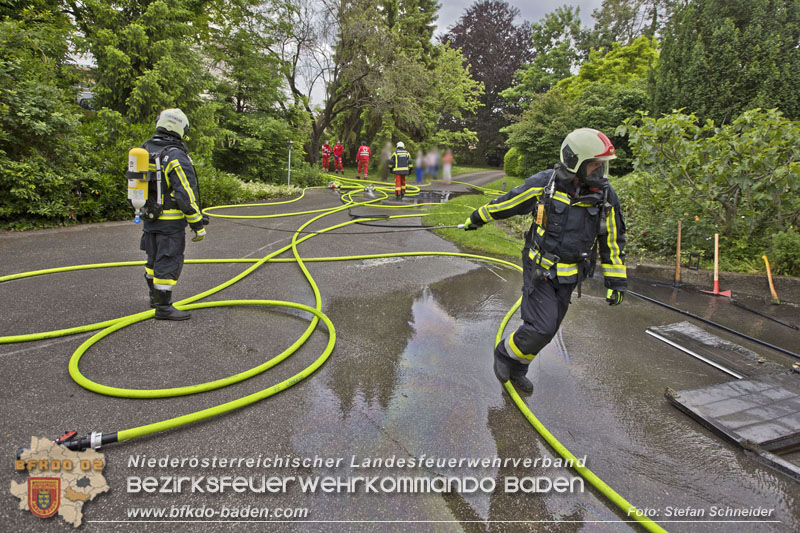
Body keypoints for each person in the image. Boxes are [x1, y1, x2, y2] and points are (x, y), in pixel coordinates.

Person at [463, 128, 627, 393]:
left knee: (548, 331)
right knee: (541, 327)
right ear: (576, 162)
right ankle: (504, 353)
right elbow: (510, 202)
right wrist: (478, 217)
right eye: (595, 165)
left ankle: (518, 368)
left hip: (570, 275)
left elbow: (612, 240)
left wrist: (616, 281)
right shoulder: (546, 184)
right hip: (540, 269)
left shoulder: (605, 197)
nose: (600, 171)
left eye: (602, 165)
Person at [140, 108, 207, 321]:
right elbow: (185, 193)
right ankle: (163, 307)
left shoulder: (145, 149)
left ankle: (154, 298)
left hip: (149, 218)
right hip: (170, 224)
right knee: (168, 260)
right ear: (180, 128)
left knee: (153, 259)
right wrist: (197, 224)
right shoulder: (175, 156)